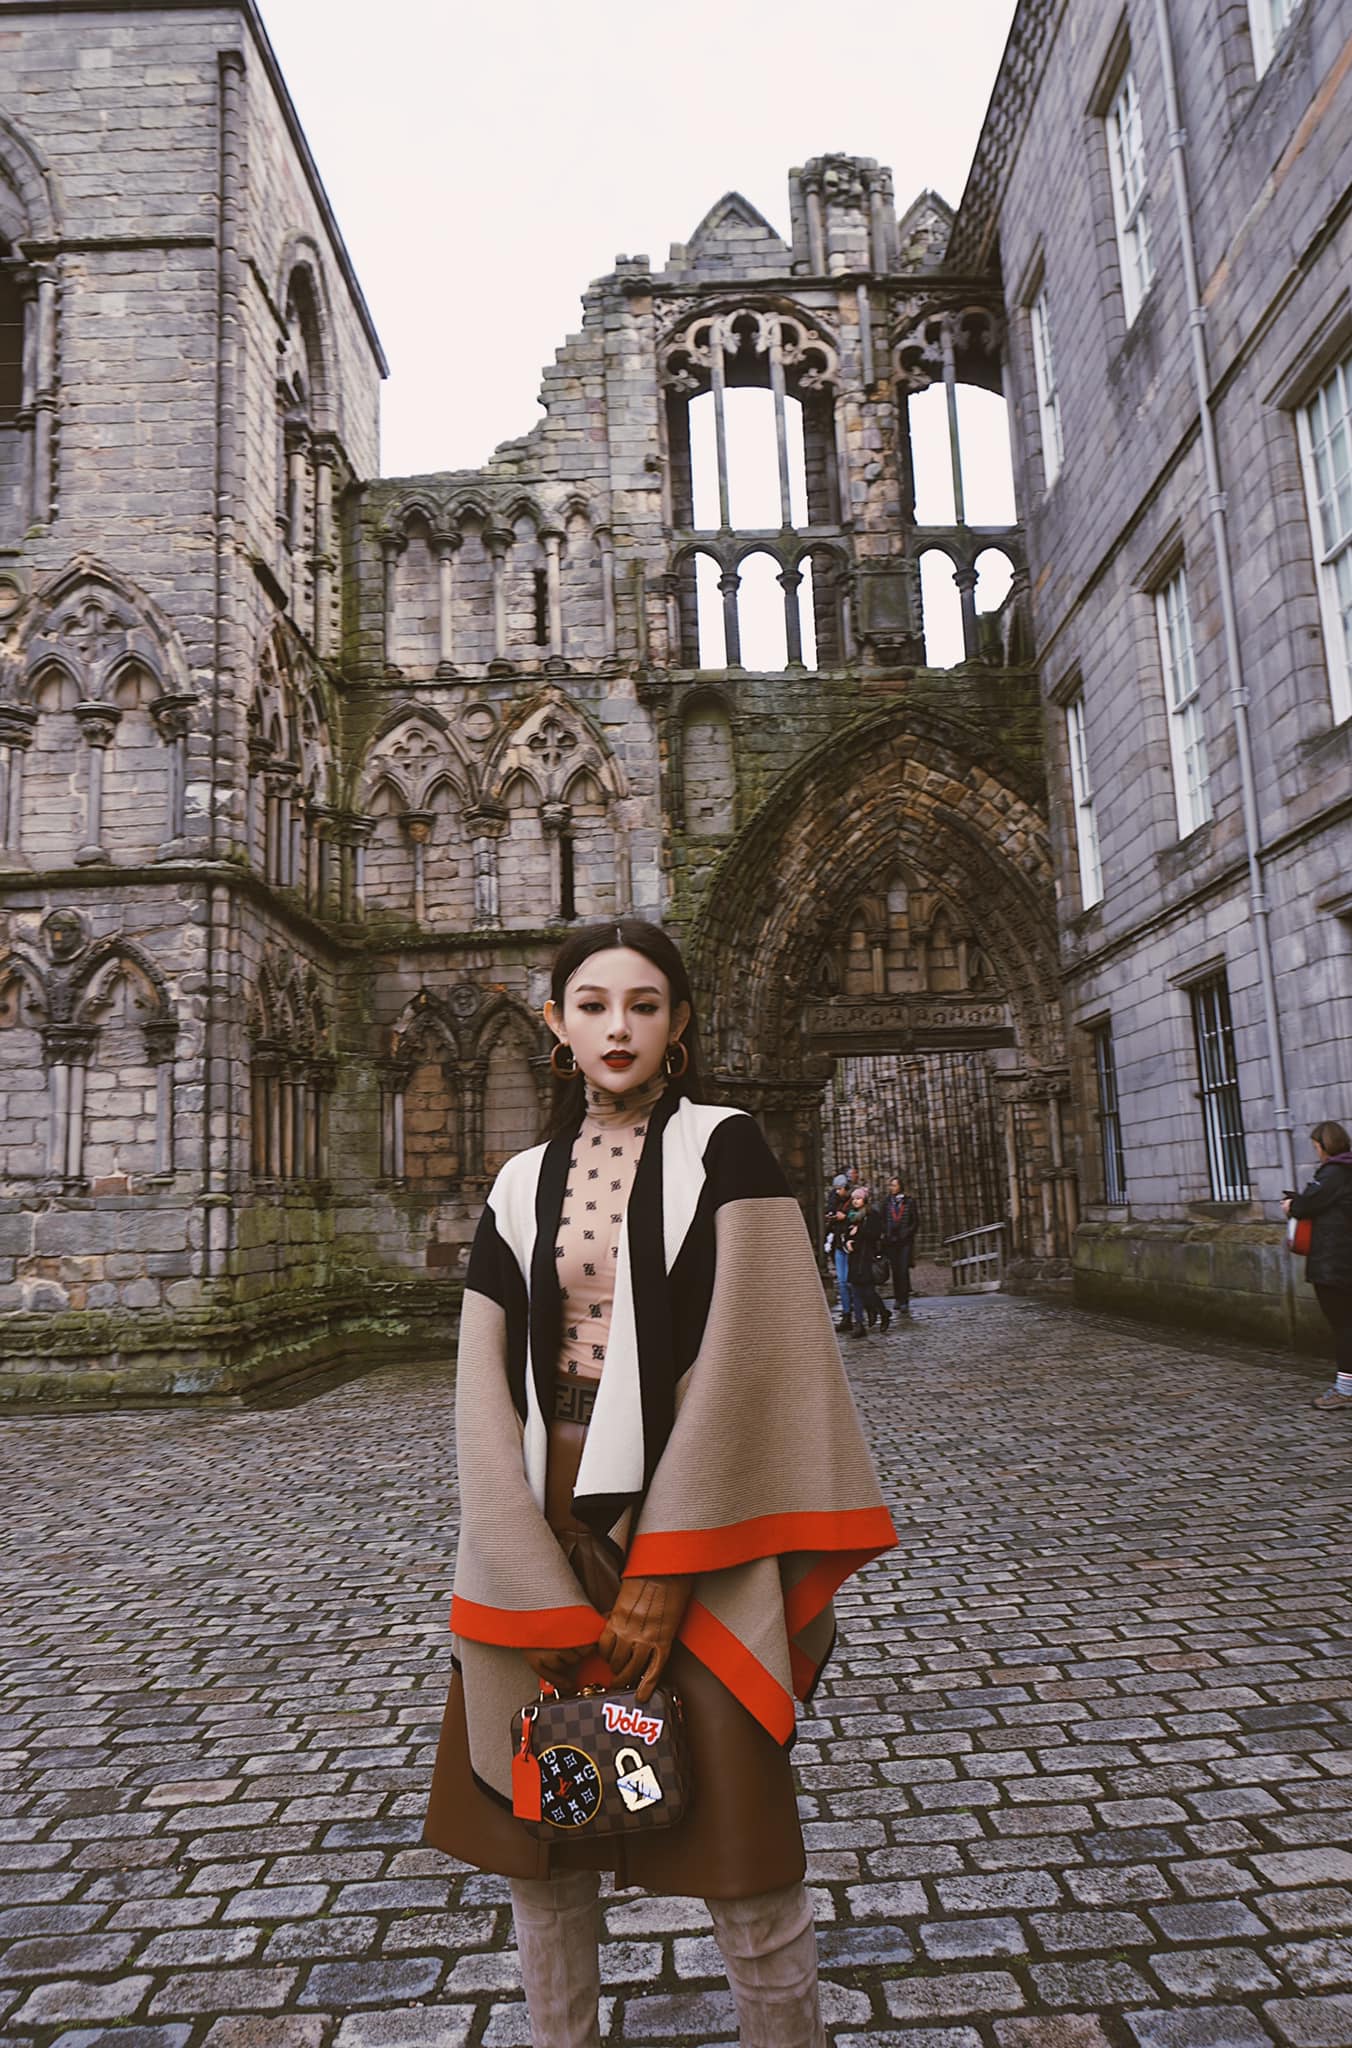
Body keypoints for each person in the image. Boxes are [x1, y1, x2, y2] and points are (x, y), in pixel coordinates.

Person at [424, 918, 897, 2048]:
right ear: (555, 1025)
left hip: (697, 1515)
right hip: (543, 1514)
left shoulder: (725, 1149)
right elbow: (481, 1387)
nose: (618, 1027)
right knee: (545, 1852)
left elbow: (752, 1363)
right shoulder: (519, 1182)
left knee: (744, 1856)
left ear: (678, 1022)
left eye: (644, 1004)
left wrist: (668, 1567)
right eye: (592, 1005)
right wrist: (524, 1577)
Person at [1283, 1119, 1352, 1411]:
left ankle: (1346, 1391)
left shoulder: (1333, 1172)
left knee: (1344, 1326)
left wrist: (1291, 1206)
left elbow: (1305, 1206)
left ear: (1325, 1146)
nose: (1316, 1152)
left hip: (1335, 1263)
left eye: (1316, 1147)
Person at [842, 1184, 889, 1337]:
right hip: (855, 1258)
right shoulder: (851, 1215)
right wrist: (847, 1242)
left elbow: (874, 1235)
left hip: (867, 1257)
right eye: (853, 1199)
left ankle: (883, 1312)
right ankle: (859, 1324)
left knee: (868, 1292)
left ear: (864, 1200)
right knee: (855, 1291)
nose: (855, 1201)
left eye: (858, 1198)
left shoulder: (871, 1215)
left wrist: (859, 1231)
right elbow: (846, 1234)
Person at [882, 1175, 920, 1311]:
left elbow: (915, 1221)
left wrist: (908, 1232)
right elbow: (883, 1219)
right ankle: (897, 1298)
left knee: (903, 1270)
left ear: (900, 1186)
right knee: (895, 1270)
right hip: (891, 1241)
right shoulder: (887, 1202)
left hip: (905, 1241)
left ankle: (904, 1300)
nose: (891, 1188)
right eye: (890, 1185)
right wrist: (886, 1233)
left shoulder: (909, 1201)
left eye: (894, 1185)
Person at [824, 1174, 854, 1332]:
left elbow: (861, 1216)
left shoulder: (855, 1199)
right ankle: (846, 1314)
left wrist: (846, 1217)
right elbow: (829, 1213)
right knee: (842, 1282)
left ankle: (862, 1313)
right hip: (838, 1243)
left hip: (851, 1244)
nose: (837, 1192)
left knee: (852, 1282)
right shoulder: (833, 1199)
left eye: (840, 1189)